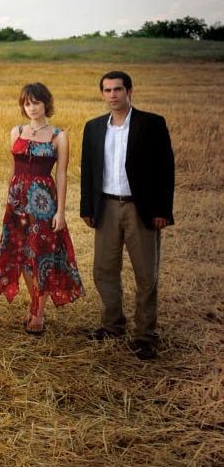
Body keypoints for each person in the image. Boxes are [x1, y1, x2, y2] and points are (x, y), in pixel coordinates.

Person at [81, 71, 175, 360]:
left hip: (140, 209)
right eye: (107, 90)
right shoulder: (94, 127)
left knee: (146, 274)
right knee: (104, 270)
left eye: (118, 89)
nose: (113, 95)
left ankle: (145, 335)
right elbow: (88, 170)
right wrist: (87, 207)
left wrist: (162, 210)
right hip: (107, 207)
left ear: (129, 91)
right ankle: (112, 325)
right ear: (102, 94)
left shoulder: (152, 124)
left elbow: (165, 169)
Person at [0, 83, 84, 334]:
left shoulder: (58, 136)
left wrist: (61, 212)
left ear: (46, 104)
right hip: (17, 202)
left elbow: (62, 175)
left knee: (41, 255)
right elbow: (13, 169)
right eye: (27, 103)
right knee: (21, 255)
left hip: (43, 204)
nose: (31, 108)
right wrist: (8, 201)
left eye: (36, 102)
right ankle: (35, 303)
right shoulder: (17, 131)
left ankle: (39, 313)